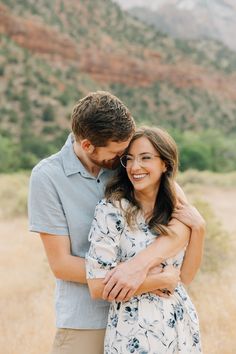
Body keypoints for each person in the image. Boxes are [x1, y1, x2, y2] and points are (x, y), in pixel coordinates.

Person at [28, 91, 205, 354]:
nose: (128, 162)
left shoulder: (128, 162)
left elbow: (179, 227)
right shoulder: (47, 177)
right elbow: (61, 264)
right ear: (88, 145)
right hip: (86, 319)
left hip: (152, 319)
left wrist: (139, 266)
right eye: (120, 154)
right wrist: (143, 278)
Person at [86, 127, 204, 353]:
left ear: (165, 164)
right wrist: (160, 279)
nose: (134, 167)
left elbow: (186, 276)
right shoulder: (111, 211)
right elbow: (98, 285)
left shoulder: (176, 211)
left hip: (179, 324)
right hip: (132, 332)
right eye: (129, 159)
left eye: (145, 158)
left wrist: (199, 229)